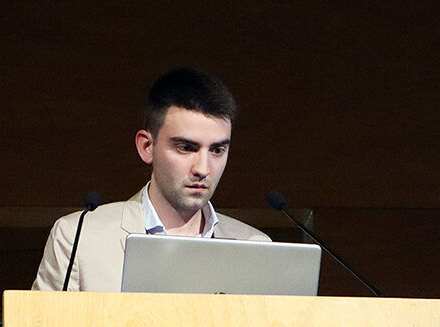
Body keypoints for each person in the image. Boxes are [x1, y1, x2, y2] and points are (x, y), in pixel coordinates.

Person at [32, 67, 270, 292]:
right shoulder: (79, 238)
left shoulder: (257, 248)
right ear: (147, 147)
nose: (202, 168)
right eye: (186, 148)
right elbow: (42, 323)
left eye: (217, 150)